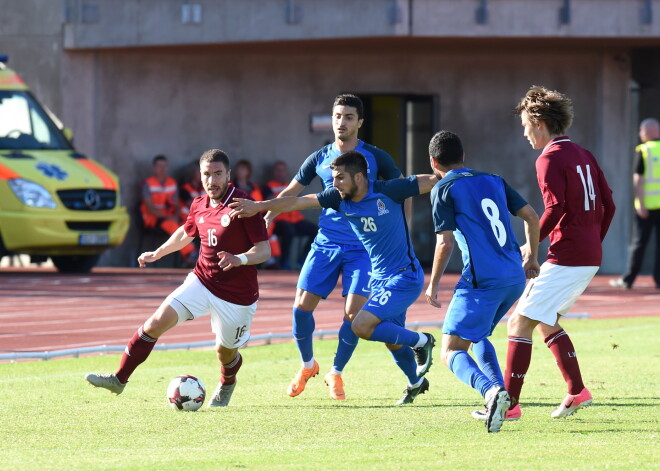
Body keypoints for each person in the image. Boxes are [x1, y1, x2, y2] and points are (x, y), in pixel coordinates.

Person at [230, 150, 437, 405]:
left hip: (404, 276)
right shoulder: (338, 198)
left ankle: (422, 341)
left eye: (339, 178)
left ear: (359, 178)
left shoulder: (389, 190)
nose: (334, 183)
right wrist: (259, 207)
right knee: (390, 337)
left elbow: (431, 180)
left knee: (361, 324)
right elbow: (297, 202)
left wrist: (458, 178)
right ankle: (415, 381)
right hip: (380, 279)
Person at [85, 149, 271, 408]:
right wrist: (157, 253)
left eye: (218, 174)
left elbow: (264, 250)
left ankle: (228, 382)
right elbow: (187, 232)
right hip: (202, 281)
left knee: (225, 353)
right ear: (201, 176)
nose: (212, 180)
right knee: (155, 323)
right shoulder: (198, 204)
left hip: (237, 296)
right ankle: (119, 379)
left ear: (228, 175)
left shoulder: (243, 204)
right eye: (207, 174)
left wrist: (238, 259)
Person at [263, 94, 403, 401]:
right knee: (301, 306)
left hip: (364, 248)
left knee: (354, 313)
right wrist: (273, 209)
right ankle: (307, 365)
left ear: (360, 123)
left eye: (349, 117)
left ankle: (336, 372)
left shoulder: (377, 158)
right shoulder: (319, 157)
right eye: (338, 116)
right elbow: (294, 190)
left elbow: (399, 191)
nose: (342, 122)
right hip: (326, 243)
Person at [503, 86, 615, 420]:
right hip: (587, 253)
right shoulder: (584, 153)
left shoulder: (549, 158)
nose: (524, 132)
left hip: (568, 255)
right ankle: (577, 391)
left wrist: (533, 245)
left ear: (538, 121)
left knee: (518, 323)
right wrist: (592, 241)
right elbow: (609, 205)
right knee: (545, 323)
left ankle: (508, 406)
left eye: (525, 124)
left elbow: (554, 208)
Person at [424, 131, 540, 433]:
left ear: (434, 162)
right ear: (464, 158)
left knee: (449, 350)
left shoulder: (443, 188)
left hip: (483, 281)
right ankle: (504, 403)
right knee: (475, 336)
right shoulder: (494, 180)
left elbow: (444, 243)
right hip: (514, 277)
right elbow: (531, 216)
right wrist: (532, 258)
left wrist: (433, 283)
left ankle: (491, 393)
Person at [610, 118, 660, 290]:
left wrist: (640, 203)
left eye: (641, 131)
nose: (640, 134)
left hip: (648, 206)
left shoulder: (644, 150)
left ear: (647, 132)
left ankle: (628, 280)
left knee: (639, 244)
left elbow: (638, 179)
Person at [140, 154, 196, 264]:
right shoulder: (147, 184)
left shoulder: (172, 182)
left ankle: (193, 254)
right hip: (153, 218)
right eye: (159, 166)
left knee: (187, 225)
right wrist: (169, 217)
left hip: (169, 216)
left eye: (164, 166)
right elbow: (150, 208)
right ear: (154, 168)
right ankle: (190, 253)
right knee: (173, 225)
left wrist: (175, 215)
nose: (162, 169)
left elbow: (177, 204)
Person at [262, 160, 318, 270]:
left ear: (285, 172)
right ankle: (284, 261)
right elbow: (267, 201)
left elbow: (298, 200)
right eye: (278, 170)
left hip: (295, 219)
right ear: (274, 172)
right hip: (278, 220)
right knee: (288, 230)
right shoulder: (268, 186)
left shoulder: (290, 185)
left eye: (282, 170)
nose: (280, 173)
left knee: (316, 230)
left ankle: (302, 261)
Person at [232, 158, 282, 266]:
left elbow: (261, 203)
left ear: (248, 172)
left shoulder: (254, 187)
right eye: (239, 169)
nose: (240, 171)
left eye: (243, 169)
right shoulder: (231, 187)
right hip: (240, 216)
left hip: (257, 215)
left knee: (269, 228)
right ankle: (260, 258)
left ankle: (268, 258)